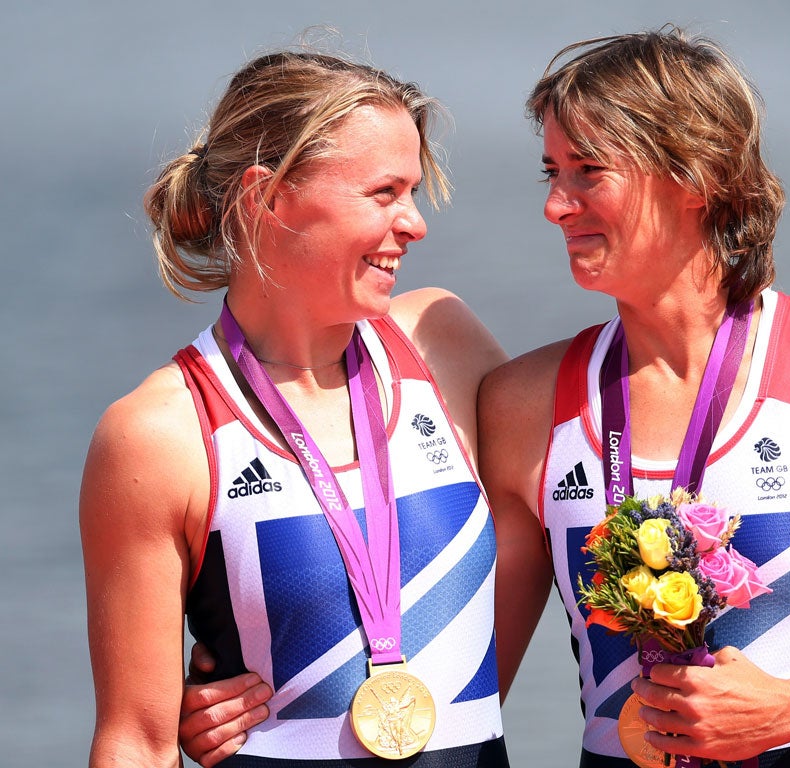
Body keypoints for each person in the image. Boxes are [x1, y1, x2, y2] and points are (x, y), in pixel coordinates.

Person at [172, 30, 790, 768]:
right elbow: (449, 661)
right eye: (551, 174)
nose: (556, 206)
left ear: (695, 175)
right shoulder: (527, 404)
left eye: (587, 172)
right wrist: (259, 706)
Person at [79, 51, 511, 767]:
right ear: (267, 196)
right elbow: (136, 740)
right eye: (385, 192)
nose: (415, 223)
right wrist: (178, 705)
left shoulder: (443, 345)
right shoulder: (160, 434)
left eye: (413, 191)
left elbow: (612, 453)